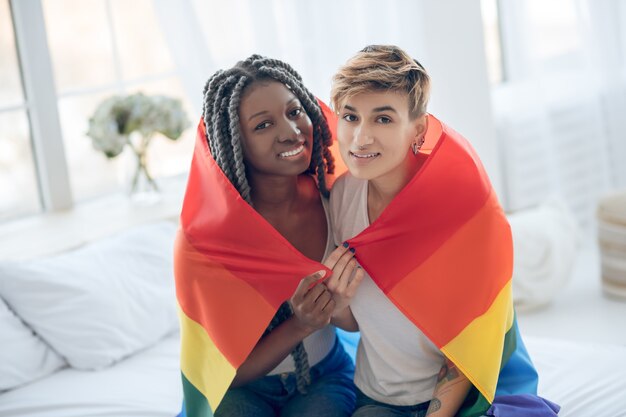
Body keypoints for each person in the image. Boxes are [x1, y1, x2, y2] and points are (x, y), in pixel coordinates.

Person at [328, 45, 557, 417]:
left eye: (382, 119)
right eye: (351, 117)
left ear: (417, 129)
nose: (360, 138)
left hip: (468, 396)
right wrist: (336, 304)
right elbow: (358, 321)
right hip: (380, 399)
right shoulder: (342, 199)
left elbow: (472, 336)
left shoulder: (457, 206)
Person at [174, 54, 363, 417]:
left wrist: (335, 306)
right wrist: (301, 324)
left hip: (326, 375)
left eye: (294, 112)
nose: (290, 131)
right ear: (234, 141)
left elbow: (359, 316)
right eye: (263, 125)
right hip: (241, 389)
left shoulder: (336, 199)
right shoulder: (203, 242)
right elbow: (222, 372)